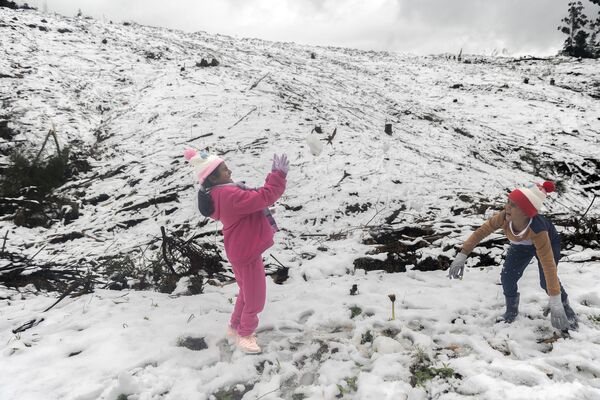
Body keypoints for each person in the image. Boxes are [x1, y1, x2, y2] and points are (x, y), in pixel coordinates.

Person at [184, 149, 288, 353]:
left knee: (246, 292)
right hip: (247, 252)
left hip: (240, 249)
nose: (229, 170)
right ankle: (246, 336)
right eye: (224, 169)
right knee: (256, 296)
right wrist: (278, 175)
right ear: (213, 178)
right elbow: (265, 196)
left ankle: (234, 326)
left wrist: (260, 211)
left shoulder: (218, 193)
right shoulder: (229, 194)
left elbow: (248, 206)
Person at [448, 181, 578, 331]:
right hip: (520, 247)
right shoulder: (503, 217)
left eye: (513, 205)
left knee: (545, 281)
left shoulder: (538, 229)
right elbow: (480, 232)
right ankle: (511, 310)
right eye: (508, 202)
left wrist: (555, 299)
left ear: (526, 211)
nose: (507, 207)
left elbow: (548, 265)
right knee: (507, 277)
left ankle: (565, 306)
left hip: (548, 244)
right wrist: (462, 254)